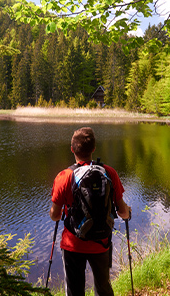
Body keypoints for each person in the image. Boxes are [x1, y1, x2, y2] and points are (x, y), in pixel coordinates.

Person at [50, 127, 131, 296]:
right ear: (94, 149)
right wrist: (127, 213)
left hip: (73, 244)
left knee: (74, 291)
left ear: (72, 149)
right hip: (101, 243)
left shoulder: (64, 176)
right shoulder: (109, 173)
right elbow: (123, 212)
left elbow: (55, 215)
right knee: (103, 288)